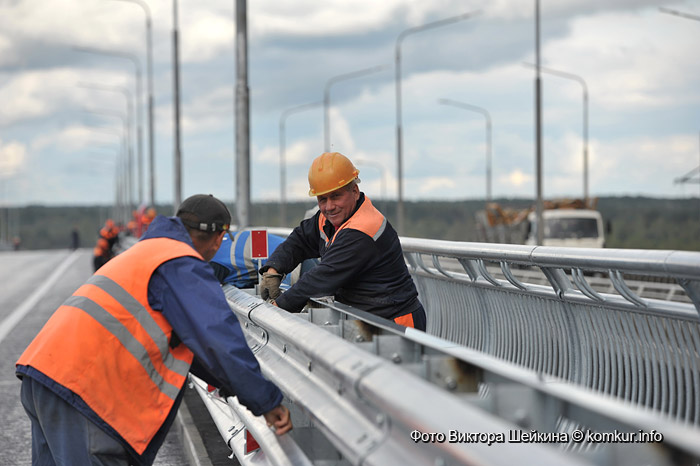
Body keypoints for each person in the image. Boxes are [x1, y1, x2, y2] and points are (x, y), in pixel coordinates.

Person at [16, 194, 292, 466]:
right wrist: (266, 402)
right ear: (220, 237)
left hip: (43, 375)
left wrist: (243, 393)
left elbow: (197, 351)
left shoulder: (145, 252)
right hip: (81, 391)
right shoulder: (181, 263)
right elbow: (218, 340)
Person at [258, 152, 427, 331]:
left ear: (354, 191)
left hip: (395, 322)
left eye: (336, 196)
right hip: (366, 319)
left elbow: (322, 278)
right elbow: (300, 239)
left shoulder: (363, 229)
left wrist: (276, 309)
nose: (329, 207)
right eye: (322, 199)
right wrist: (273, 269)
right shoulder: (330, 219)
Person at [210, 229, 292, 288]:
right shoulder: (225, 240)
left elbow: (206, 291)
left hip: (289, 268)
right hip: (292, 251)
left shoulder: (213, 262)